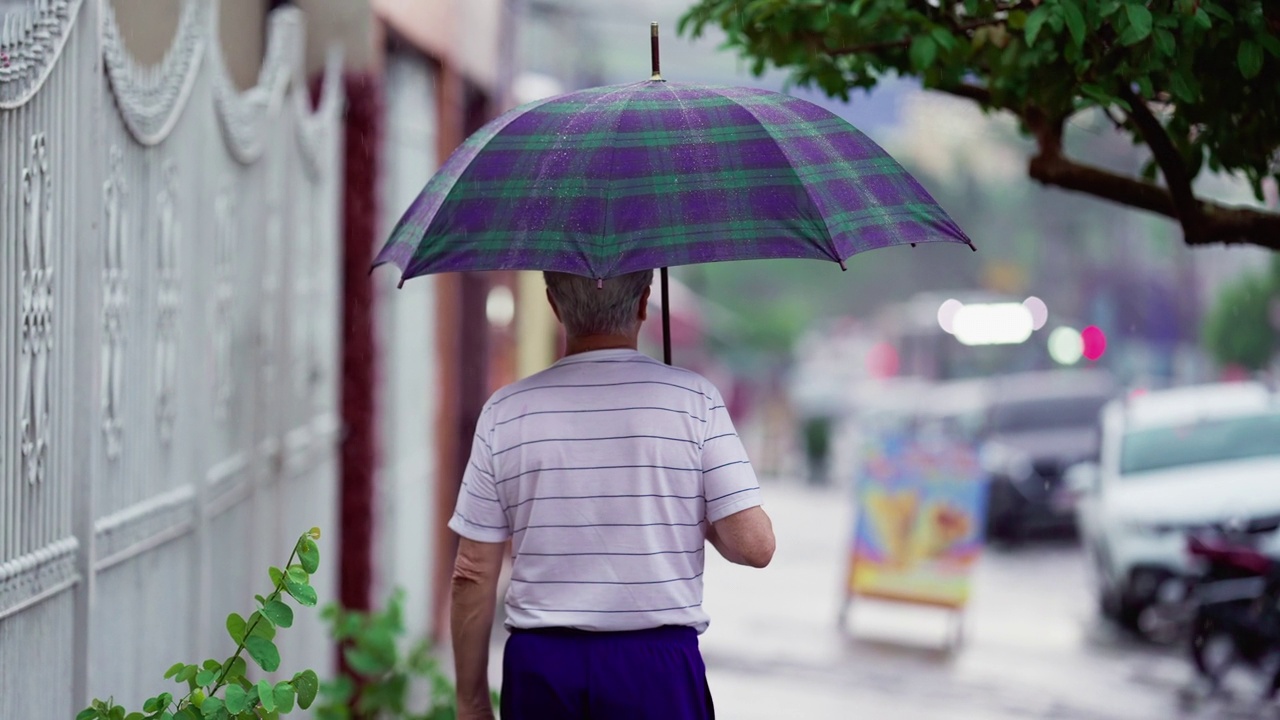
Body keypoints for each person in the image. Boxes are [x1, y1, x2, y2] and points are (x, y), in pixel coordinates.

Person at [448, 269, 776, 720]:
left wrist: (471, 703)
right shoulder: (694, 401)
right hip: (656, 671)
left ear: (554, 306)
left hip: (543, 668)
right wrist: (690, 504)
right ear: (644, 304)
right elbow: (754, 546)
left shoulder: (505, 412)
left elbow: (471, 572)